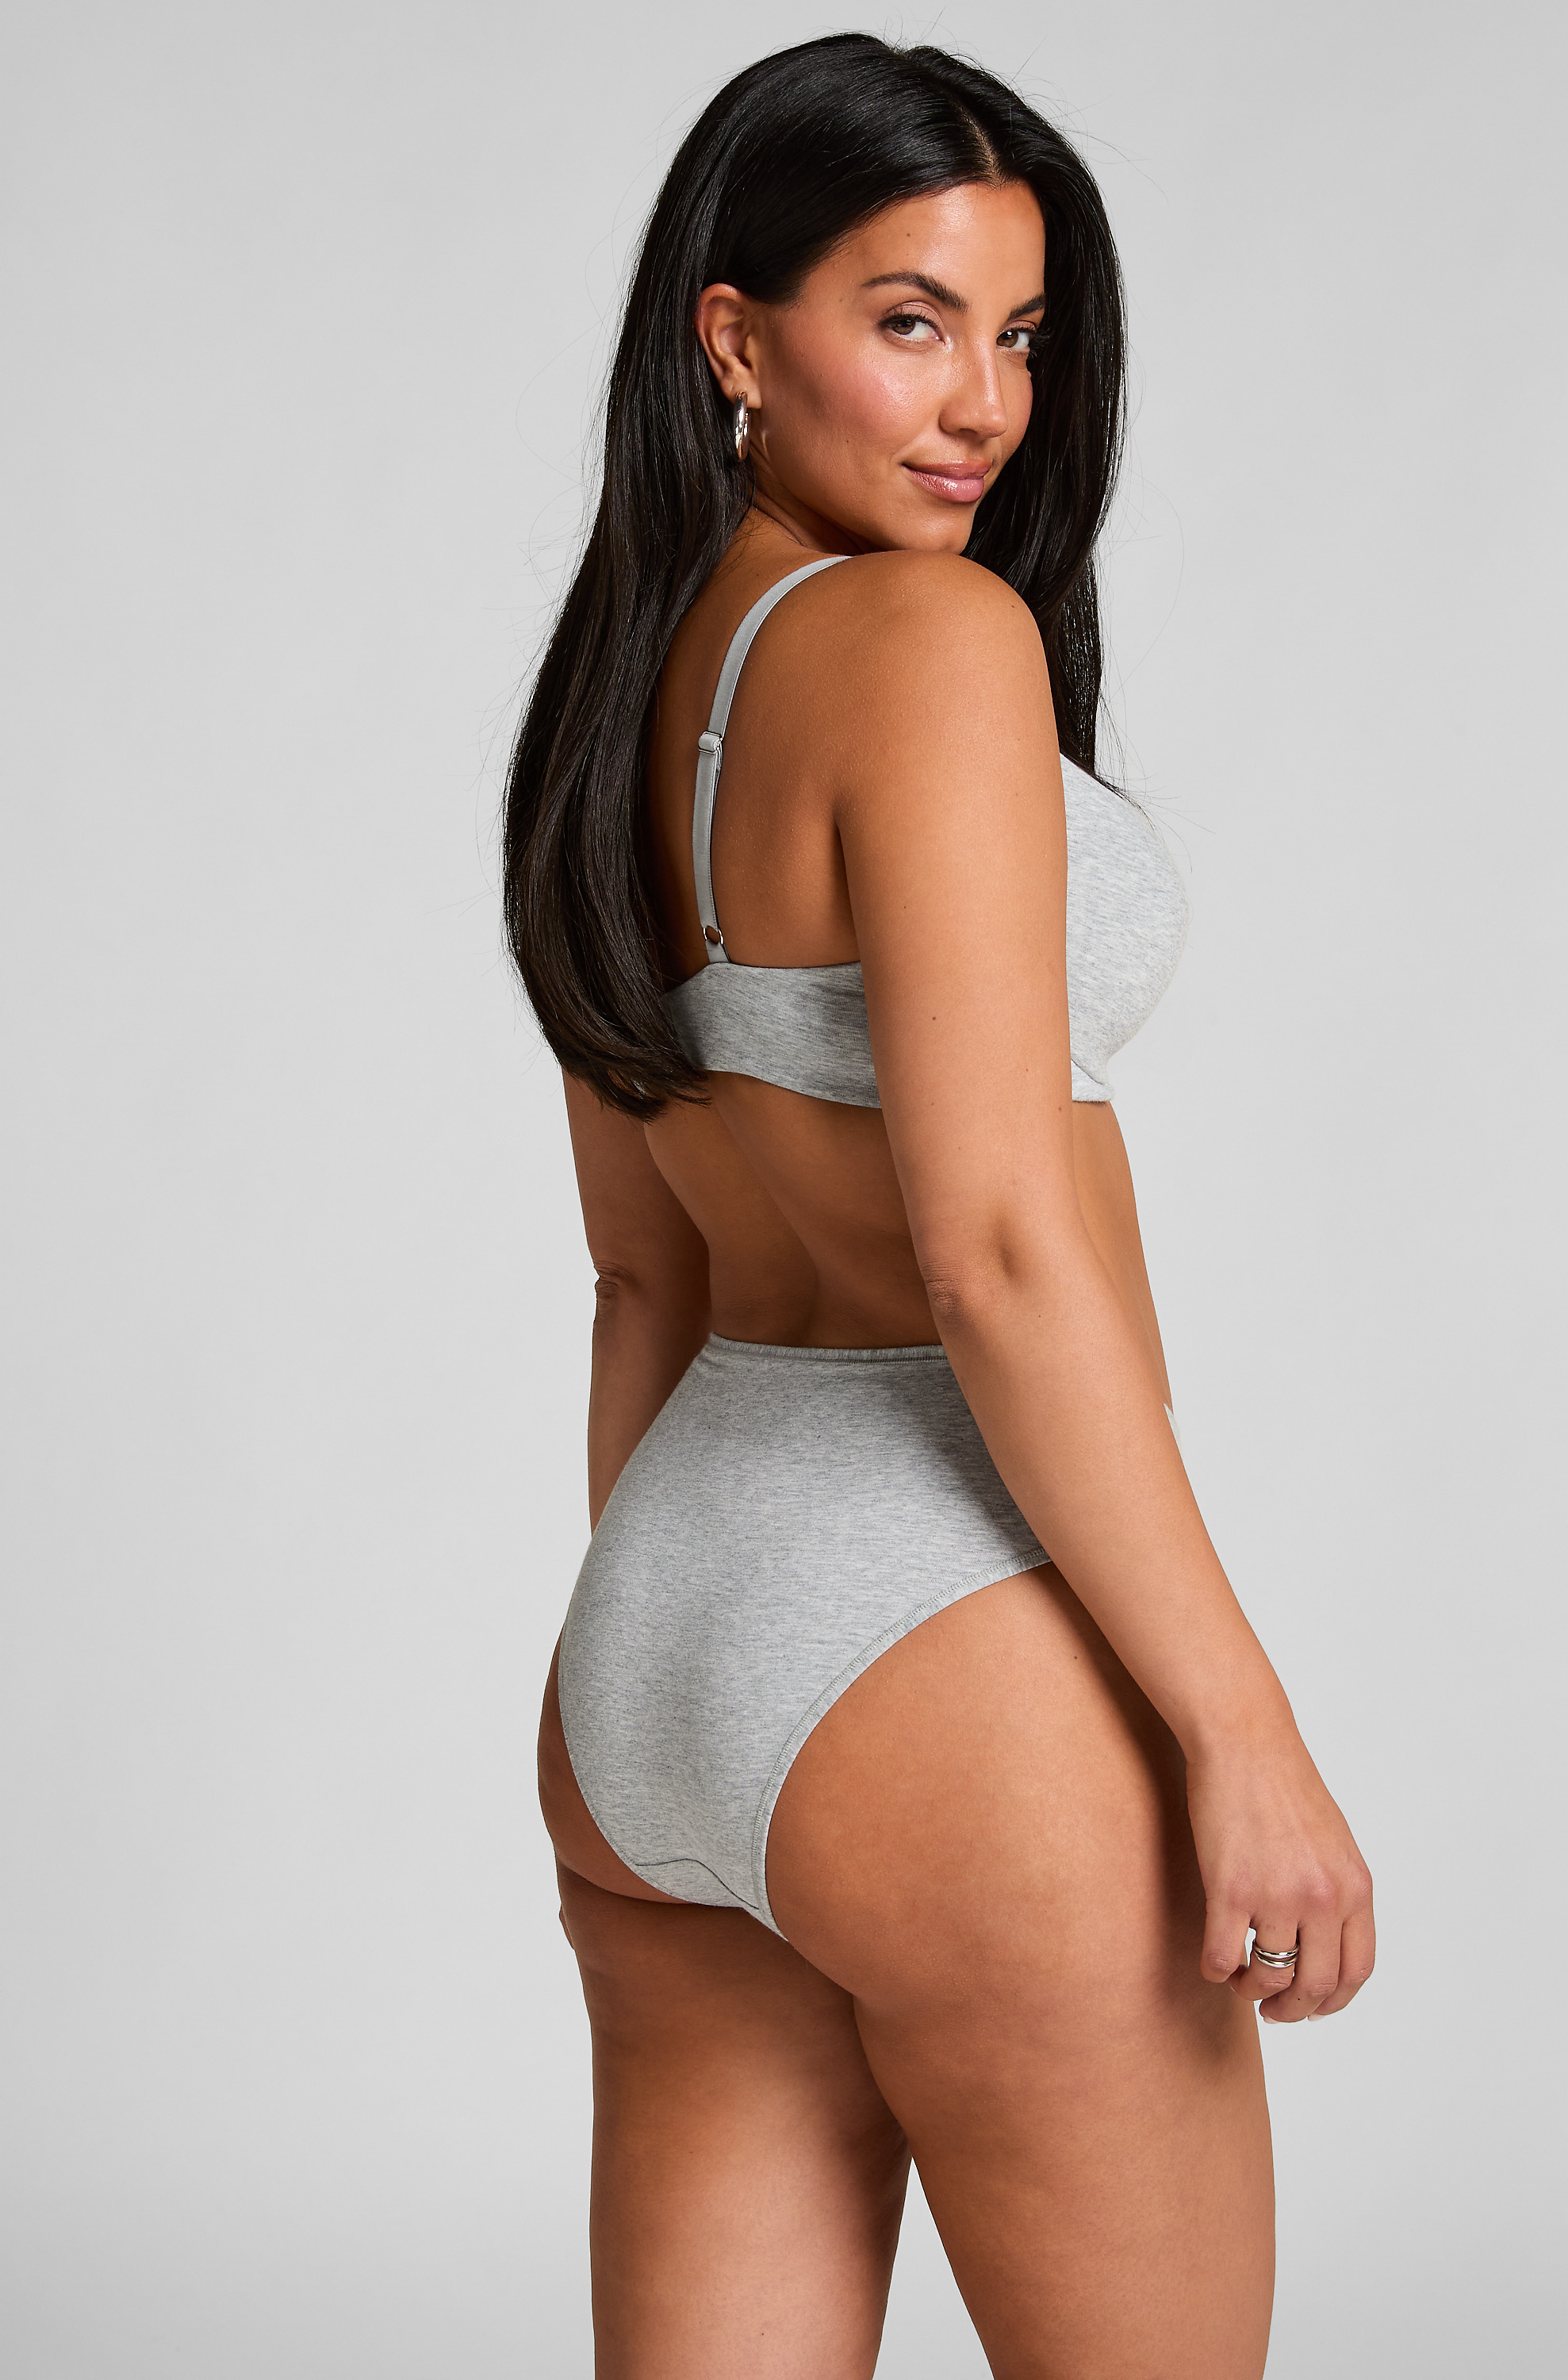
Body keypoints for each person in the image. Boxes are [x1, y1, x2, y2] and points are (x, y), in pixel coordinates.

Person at [504, 35, 1374, 2378]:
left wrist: (686, 1678)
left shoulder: (613, 691)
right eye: (909, 323)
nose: (982, 404)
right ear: (733, 338)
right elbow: (993, 1252)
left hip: (655, 1635)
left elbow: (639, 1267)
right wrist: (1244, 1731)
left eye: (1019, 335)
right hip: (941, 1629)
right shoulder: (926, 642)